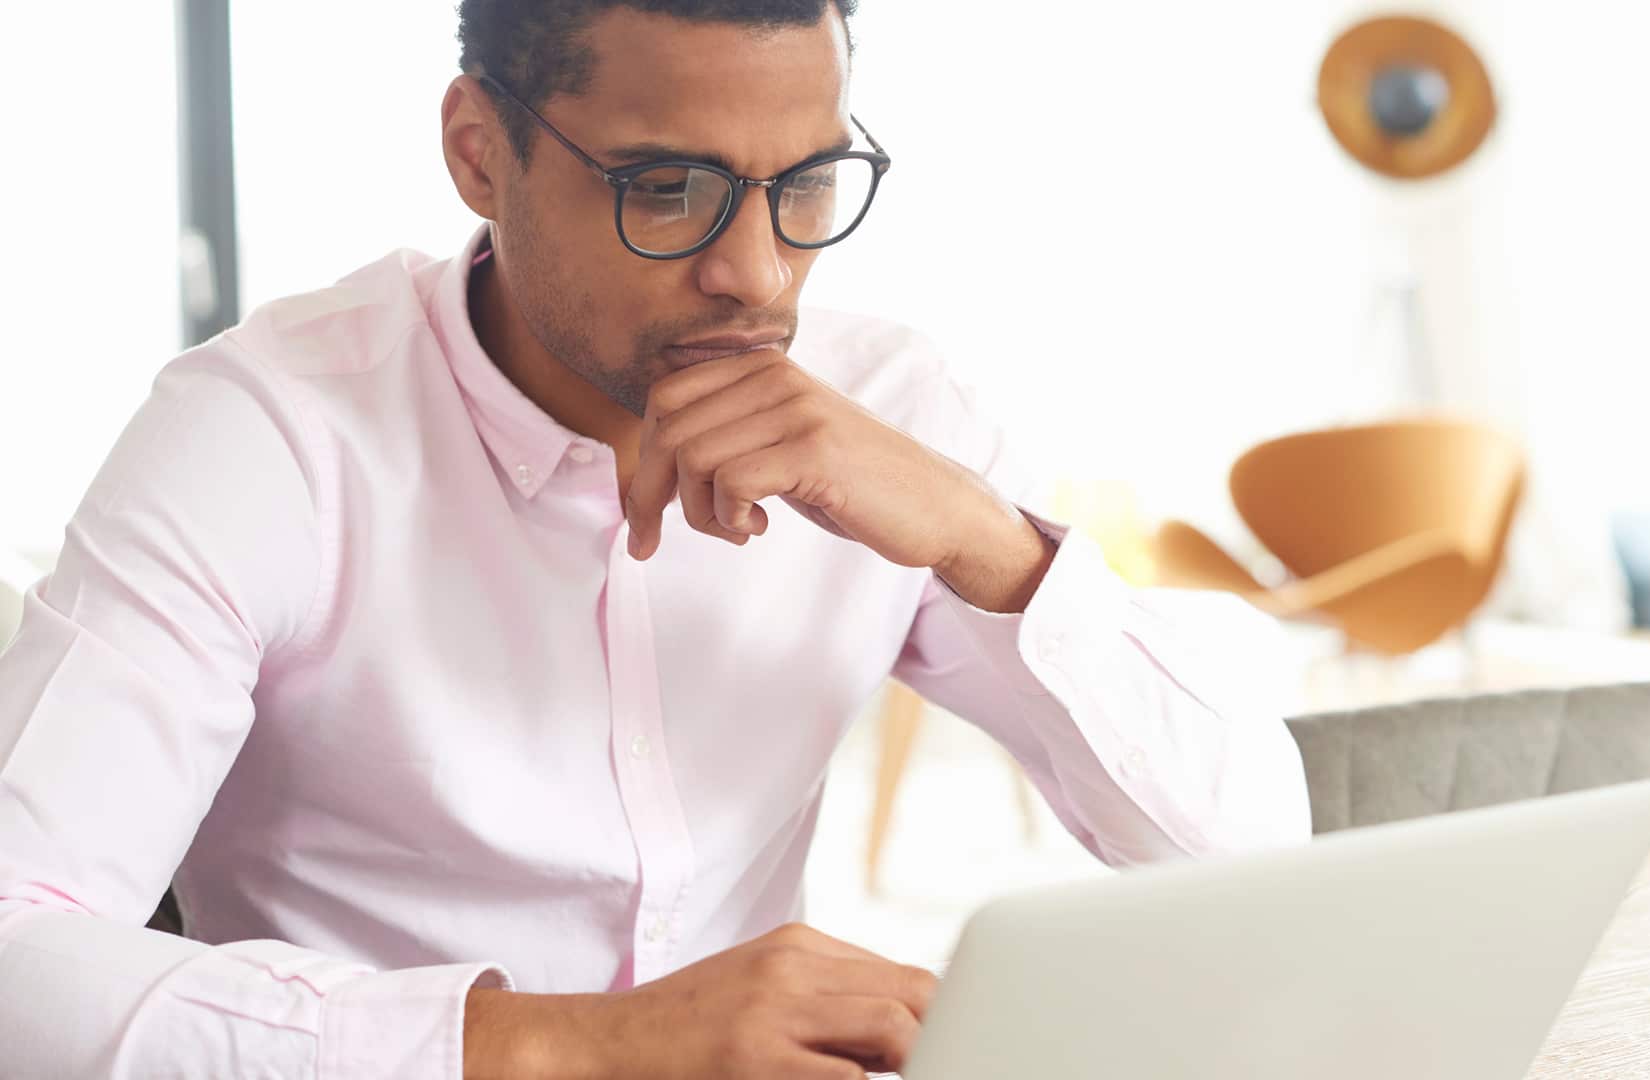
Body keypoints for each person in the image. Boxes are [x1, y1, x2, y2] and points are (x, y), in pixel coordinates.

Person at [0, 2, 1309, 1076]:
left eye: (805, 185)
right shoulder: (267, 436)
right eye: (667, 188)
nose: (759, 272)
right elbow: (16, 954)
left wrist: (991, 545)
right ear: (477, 152)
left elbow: (1259, 871)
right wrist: (564, 1047)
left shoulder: (899, 405)